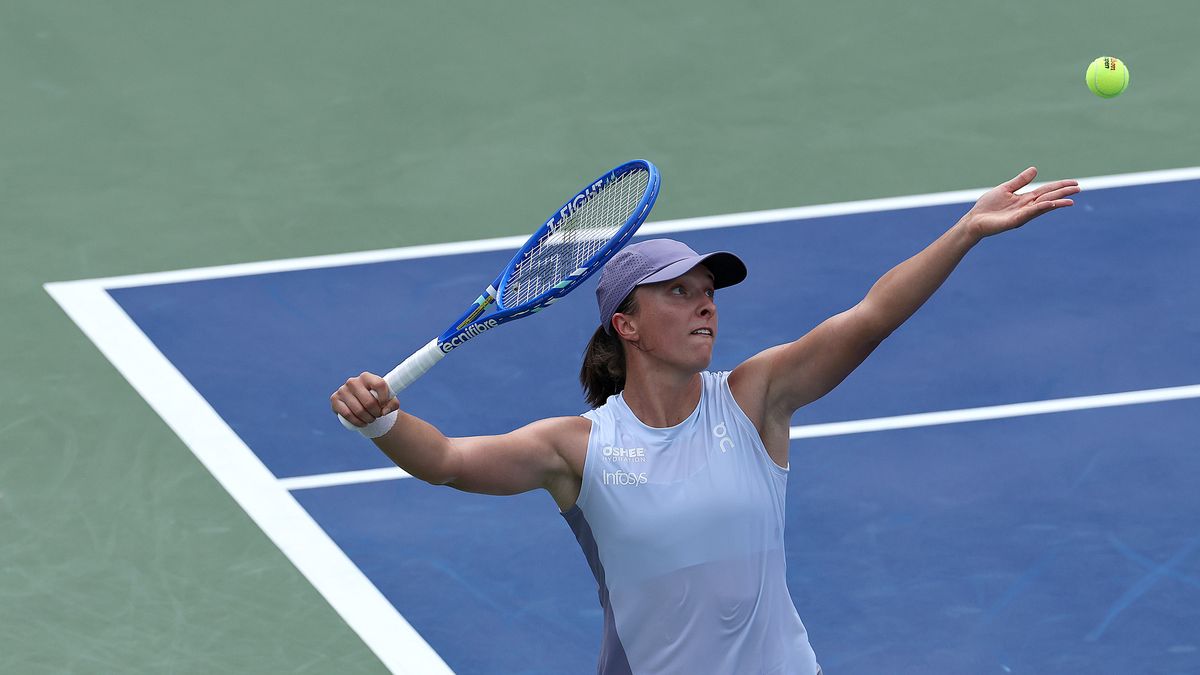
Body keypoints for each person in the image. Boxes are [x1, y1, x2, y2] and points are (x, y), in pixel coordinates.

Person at [331, 166, 1079, 674]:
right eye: (679, 292)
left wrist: (964, 232)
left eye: (709, 291)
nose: (706, 305)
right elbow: (449, 462)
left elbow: (871, 316)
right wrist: (382, 421)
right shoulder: (577, 448)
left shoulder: (756, 399)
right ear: (626, 324)